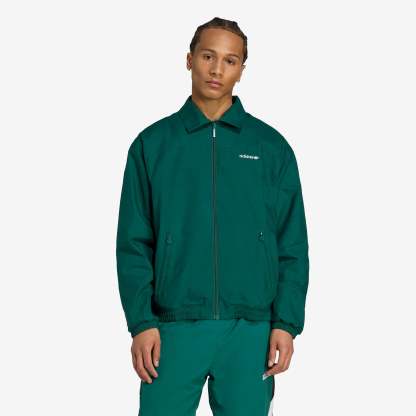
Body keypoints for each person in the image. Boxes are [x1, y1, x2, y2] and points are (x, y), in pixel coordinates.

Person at [116, 17, 309, 416]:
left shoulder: (271, 148)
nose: (217, 69)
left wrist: (286, 323)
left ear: (241, 69)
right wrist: (141, 322)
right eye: (208, 56)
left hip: (250, 331)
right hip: (171, 327)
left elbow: (292, 244)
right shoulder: (152, 145)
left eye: (230, 60)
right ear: (189, 60)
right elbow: (133, 243)